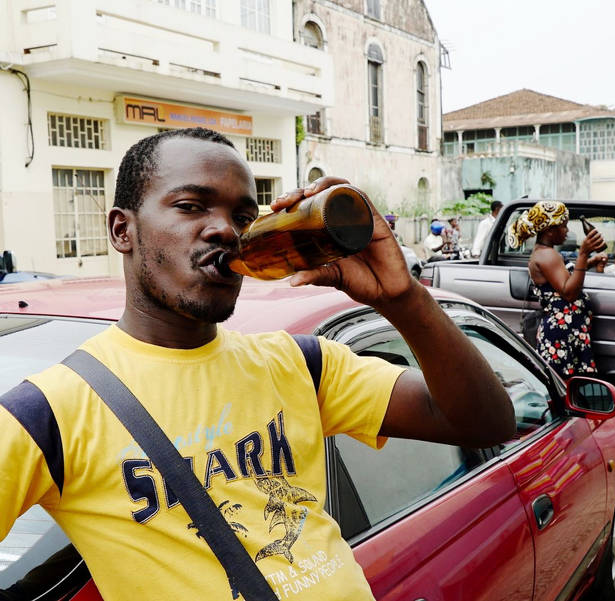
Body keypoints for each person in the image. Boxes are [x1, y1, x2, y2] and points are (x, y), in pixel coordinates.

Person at [0, 127, 515, 600]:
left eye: (244, 217)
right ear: (122, 230)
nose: (225, 230)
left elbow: (484, 421)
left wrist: (403, 298)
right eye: (190, 206)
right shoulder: (45, 415)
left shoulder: (302, 364)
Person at [507, 201, 606, 379]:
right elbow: (569, 292)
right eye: (563, 226)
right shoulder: (546, 255)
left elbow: (564, 277)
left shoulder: (547, 252)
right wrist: (583, 254)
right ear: (550, 231)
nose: (567, 231)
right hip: (561, 336)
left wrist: (589, 262)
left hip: (566, 333)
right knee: (565, 385)